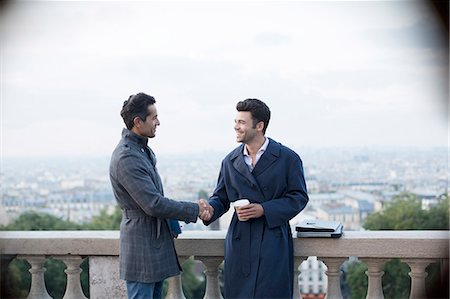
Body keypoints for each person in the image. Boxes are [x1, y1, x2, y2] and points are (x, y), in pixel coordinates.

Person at [202, 98, 309, 299]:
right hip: (240, 241)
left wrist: (264, 209)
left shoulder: (287, 158)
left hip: (273, 240)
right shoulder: (230, 161)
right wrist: (210, 209)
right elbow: (221, 198)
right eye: (236, 121)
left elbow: (299, 197)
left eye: (242, 122)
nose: (236, 126)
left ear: (259, 126)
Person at [109, 92, 210, 299]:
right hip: (141, 244)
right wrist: (195, 209)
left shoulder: (141, 150)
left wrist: (172, 224)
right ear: (138, 122)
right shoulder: (127, 156)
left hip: (153, 239)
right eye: (154, 117)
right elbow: (153, 203)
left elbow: (154, 195)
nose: (158, 122)